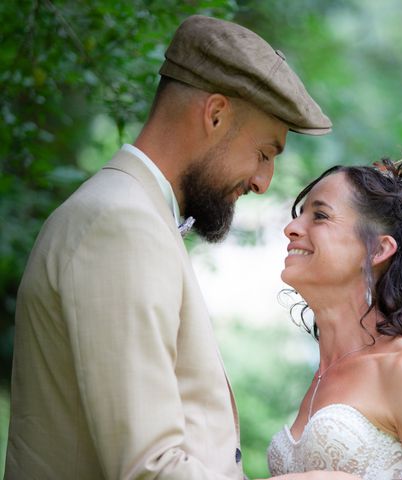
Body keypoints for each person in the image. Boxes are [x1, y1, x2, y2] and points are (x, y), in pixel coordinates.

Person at [5, 15, 332, 479]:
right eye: (264, 153)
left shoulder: (129, 215)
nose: (263, 181)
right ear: (215, 114)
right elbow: (148, 469)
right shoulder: (121, 225)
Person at [267, 158, 402, 479]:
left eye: (320, 216)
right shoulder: (321, 375)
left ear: (378, 250)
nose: (291, 228)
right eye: (298, 215)